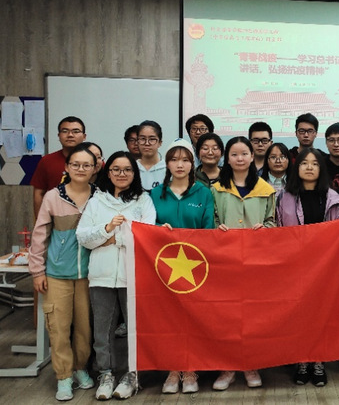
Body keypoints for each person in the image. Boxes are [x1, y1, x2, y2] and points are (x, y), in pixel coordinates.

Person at [77, 151, 156, 400]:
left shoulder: (144, 200)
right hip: (101, 274)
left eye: (127, 170)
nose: (122, 174)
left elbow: (146, 236)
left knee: (135, 329)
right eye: (116, 169)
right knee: (102, 330)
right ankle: (106, 374)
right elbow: (83, 237)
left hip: (133, 275)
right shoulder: (96, 201)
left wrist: (112, 240)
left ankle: (133, 374)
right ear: (108, 172)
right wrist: (108, 229)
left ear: (134, 173)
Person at [276, 148, 339, 387]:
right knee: (298, 315)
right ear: (297, 168)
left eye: (315, 163)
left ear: (321, 169)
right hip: (294, 267)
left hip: (323, 268)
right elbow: (278, 230)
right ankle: (302, 360)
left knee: (321, 314)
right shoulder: (283, 197)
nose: (310, 167)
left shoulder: (333, 197)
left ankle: (319, 360)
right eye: (304, 163)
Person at [28, 143, 97, 401]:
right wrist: (37, 271)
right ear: (67, 167)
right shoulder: (52, 197)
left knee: (85, 328)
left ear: (95, 169)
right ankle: (64, 376)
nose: (81, 169)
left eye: (86, 165)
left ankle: (81, 369)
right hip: (57, 274)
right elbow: (40, 235)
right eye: (75, 164)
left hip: (90, 275)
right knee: (58, 327)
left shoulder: (100, 197)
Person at [210, 136, 276, 390]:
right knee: (226, 316)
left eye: (244, 154)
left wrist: (265, 228)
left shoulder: (266, 189)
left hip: (255, 262)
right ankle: (227, 368)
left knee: (253, 316)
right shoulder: (216, 189)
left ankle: (251, 365)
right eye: (234, 154)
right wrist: (217, 228)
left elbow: (272, 221)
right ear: (227, 158)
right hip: (224, 262)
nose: (240, 158)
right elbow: (213, 219)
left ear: (252, 157)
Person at [150, 139, 215, 395]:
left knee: (193, 319)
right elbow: (146, 226)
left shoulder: (204, 193)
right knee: (168, 320)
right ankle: (173, 369)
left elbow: (208, 230)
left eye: (186, 160)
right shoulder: (155, 194)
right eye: (174, 160)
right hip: (163, 269)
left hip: (195, 268)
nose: (180, 165)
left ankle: (190, 369)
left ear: (192, 164)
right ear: (166, 164)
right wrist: (158, 230)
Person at [32, 116, 86, 217]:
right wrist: (40, 221)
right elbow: (39, 193)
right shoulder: (47, 161)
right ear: (59, 135)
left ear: (84, 136)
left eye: (76, 131)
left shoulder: (94, 161)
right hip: (56, 217)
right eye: (65, 131)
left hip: (88, 217)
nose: (70, 135)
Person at [136, 120, 165, 191]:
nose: (147, 143)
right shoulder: (132, 168)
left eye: (152, 139)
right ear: (137, 142)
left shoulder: (168, 168)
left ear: (160, 143)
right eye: (142, 139)